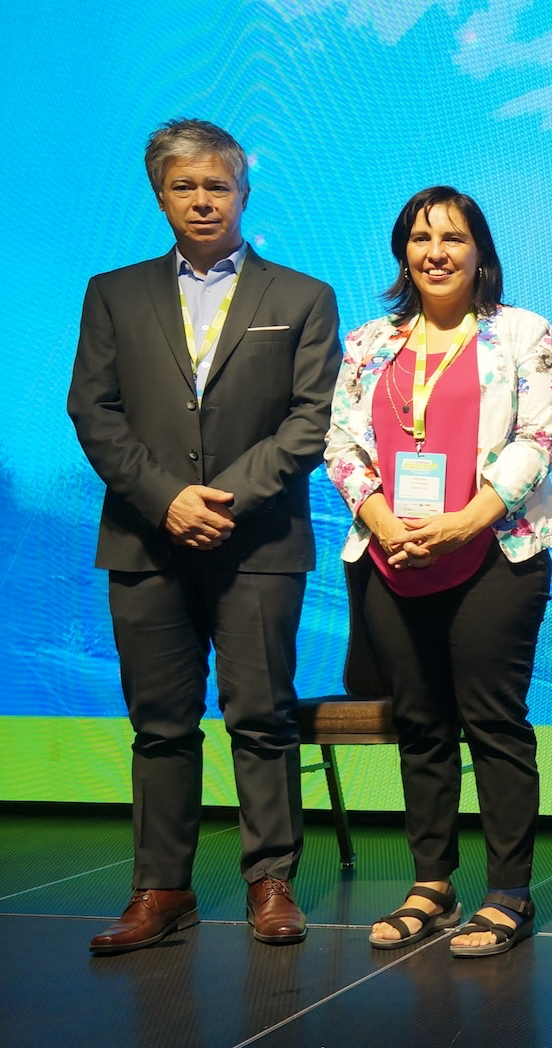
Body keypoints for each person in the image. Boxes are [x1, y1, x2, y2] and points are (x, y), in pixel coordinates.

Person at [69, 119, 340, 955]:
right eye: (183, 186)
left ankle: (271, 882)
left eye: (216, 185)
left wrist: (220, 501)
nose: (201, 200)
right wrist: (166, 500)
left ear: (243, 193)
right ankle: (162, 889)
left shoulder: (302, 297)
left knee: (261, 719)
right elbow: (93, 410)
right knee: (160, 726)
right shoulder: (112, 293)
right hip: (145, 542)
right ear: (159, 197)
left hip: (258, 543)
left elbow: (311, 421)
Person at [325, 186, 552, 958]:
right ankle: (431, 884)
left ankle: (509, 891)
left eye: (454, 238)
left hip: (495, 552)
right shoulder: (369, 342)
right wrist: (386, 524)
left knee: (494, 722)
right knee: (420, 724)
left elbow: (539, 438)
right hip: (391, 555)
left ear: (480, 252)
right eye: (422, 238)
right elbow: (341, 444)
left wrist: (466, 520)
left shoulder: (522, 333)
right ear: (403, 252)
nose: (437, 252)